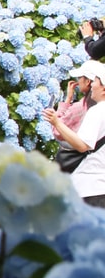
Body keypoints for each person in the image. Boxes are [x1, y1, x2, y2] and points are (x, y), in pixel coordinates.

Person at [45, 60, 105, 207]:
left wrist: (56, 122)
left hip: (89, 188)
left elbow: (82, 145)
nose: (92, 86)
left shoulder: (98, 110)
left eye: (95, 82)